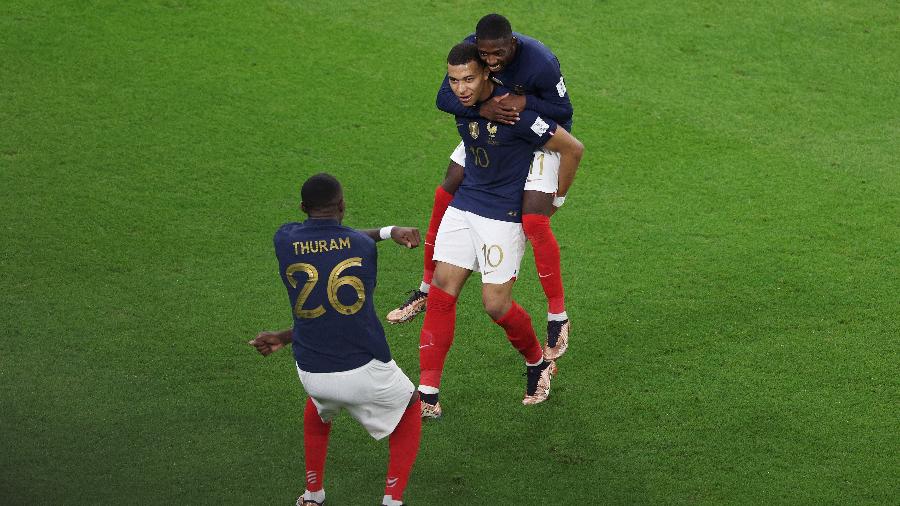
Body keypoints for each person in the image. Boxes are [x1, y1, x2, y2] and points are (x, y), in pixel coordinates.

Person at [387, 13, 574, 364]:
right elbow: (445, 97)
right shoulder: (470, 52)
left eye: (498, 54)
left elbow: (564, 111)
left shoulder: (542, 63)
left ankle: (557, 316)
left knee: (534, 221)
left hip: (537, 137)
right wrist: (484, 108)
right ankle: (425, 289)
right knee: (446, 190)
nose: (490, 60)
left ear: (512, 44)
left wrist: (523, 104)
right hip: (489, 124)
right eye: (485, 55)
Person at [416, 42, 584, 418]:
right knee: (444, 292)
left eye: (469, 79)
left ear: (489, 74)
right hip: (465, 207)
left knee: (495, 305)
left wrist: (557, 198)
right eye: (454, 80)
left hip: (502, 217)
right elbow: (447, 100)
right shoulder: (463, 103)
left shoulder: (518, 115)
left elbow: (572, 147)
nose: (460, 88)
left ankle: (537, 361)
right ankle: (427, 393)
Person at [249, 173, 422, 506]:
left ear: (302, 207)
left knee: (319, 405)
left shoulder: (283, 239)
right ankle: (392, 500)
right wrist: (388, 232)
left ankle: (313, 494)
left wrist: (285, 336)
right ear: (342, 205)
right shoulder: (362, 247)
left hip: (311, 372)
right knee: (411, 408)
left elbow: (324, 245)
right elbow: (348, 241)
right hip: (364, 369)